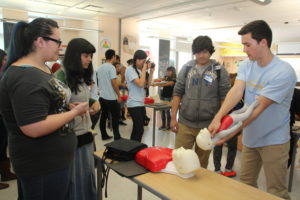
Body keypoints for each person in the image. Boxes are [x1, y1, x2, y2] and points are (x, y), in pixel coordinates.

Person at [0, 18, 88, 200]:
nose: (60, 47)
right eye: (57, 42)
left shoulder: (41, 69)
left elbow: (46, 105)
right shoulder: (26, 76)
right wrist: (73, 113)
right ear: (40, 41)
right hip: (42, 165)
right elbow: (33, 126)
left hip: (52, 161)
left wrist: (64, 106)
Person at [208, 20, 296, 200]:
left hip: (274, 140)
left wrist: (231, 132)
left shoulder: (283, 72)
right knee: (246, 187)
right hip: (251, 138)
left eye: (247, 45)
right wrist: (218, 116)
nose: (244, 50)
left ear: (263, 42)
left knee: (276, 192)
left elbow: (258, 108)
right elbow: (236, 91)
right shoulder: (247, 65)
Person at [171, 35, 230, 168]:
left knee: (201, 164)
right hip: (185, 123)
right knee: (178, 159)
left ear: (210, 52)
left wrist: (221, 122)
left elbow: (224, 98)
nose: (201, 55)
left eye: (204, 52)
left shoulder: (220, 71)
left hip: (207, 127)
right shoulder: (186, 68)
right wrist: (173, 118)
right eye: (198, 52)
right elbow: (177, 93)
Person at [55, 38, 98, 200]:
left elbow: (80, 97)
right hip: (72, 139)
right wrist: (70, 109)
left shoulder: (79, 75)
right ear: (74, 55)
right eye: (86, 55)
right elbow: (55, 107)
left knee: (86, 178)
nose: (90, 59)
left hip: (84, 135)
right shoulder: (60, 76)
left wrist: (93, 103)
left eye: (91, 56)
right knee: (76, 183)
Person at [213, 73, 241, 177]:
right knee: (232, 147)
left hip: (220, 123)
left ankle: (217, 169)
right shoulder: (240, 94)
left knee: (218, 146)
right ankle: (228, 169)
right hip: (232, 124)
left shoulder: (220, 92)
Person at [125, 50, 154, 142]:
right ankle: (134, 149)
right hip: (133, 104)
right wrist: (145, 69)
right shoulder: (130, 70)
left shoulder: (139, 70)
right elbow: (140, 84)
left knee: (138, 129)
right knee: (139, 129)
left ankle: (132, 149)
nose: (143, 63)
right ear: (136, 59)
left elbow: (147, 85)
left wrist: (152, 72)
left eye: (145, 61)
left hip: (140, 103)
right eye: (142, 61)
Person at [97, 49, 121, 140]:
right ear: (113, 57)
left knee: (103, 116)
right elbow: (114, 83)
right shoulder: (111, 67)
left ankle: (103, 135)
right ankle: (117, 137)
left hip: (102, 97)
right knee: (115, 117)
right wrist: (119, 95)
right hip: (111, 97)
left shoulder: (100, 67)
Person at [0, 49, 16, 190]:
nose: (6, 62)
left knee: (2, 147)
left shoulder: (4, 75)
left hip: (3, 118)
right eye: (4, 59)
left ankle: (5, 173)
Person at [152, 66, 177, 131]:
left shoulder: (174, 78)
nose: (168, 72)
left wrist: (157, 84)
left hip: (168, 96)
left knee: (167, 111)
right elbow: (161, 79)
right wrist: (154, 80)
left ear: (173, 71)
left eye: (169, 71)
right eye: (167, 71)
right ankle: (163, 125)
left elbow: (167, 84)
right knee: (162, 110)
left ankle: (168, 125)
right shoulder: (166, 77)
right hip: (162, 95)